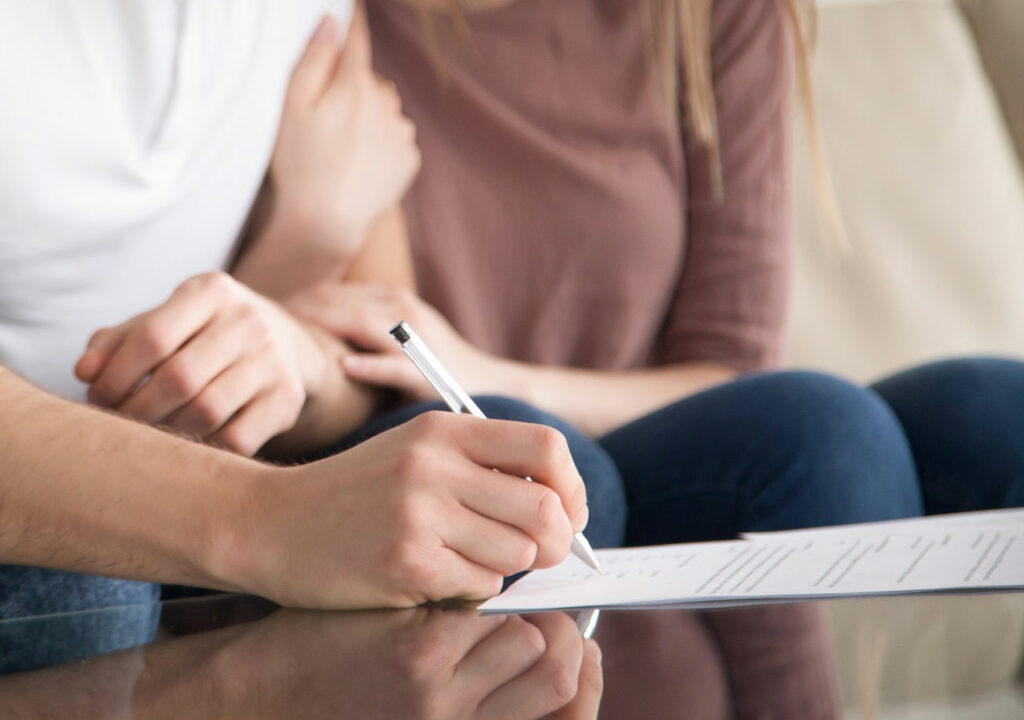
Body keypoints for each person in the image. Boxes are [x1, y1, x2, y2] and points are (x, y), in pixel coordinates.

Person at [284, 0, 1024, 553]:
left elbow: (732, 367)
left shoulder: (706, 15)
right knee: (821, 438)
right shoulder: (338, 20)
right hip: (472, 439)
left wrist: (491, 371)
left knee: (994, 413)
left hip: (654, 436)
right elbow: (378, 326)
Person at [0, 2, 588, 622]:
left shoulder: (322, 16)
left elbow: (369, 350)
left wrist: (301, 354)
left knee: (525, 487)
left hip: (219, 447)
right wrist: (264, 518)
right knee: (82, 586)